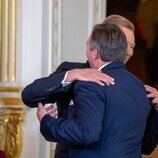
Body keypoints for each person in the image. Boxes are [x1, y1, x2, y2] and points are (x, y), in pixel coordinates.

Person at [21, 15, 158, 157]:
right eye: (121, 40)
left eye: (131, 46)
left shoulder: (138, 88)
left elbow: (146, 146)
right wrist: (72, 75)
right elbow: (29, 96)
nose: (128, 51)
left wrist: (156, 108)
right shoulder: (72, 72)